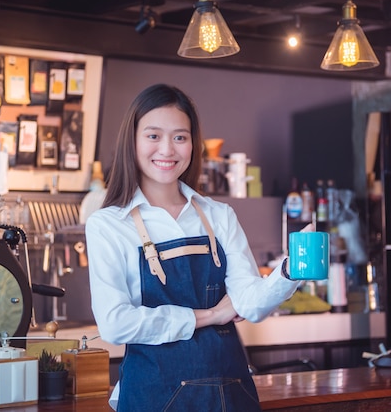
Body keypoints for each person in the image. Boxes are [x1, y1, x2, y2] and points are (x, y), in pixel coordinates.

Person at [85, 84, 307, 411]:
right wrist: (210, 315)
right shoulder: (108, 224)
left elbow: (249, 303)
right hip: (152, 397)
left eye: (179, 137)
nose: (167, 149)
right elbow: (116, 324)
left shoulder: (220, 216)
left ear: (193, 144)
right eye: (153, 136)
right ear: (131, 141)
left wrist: (291, 270)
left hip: (228, 395)